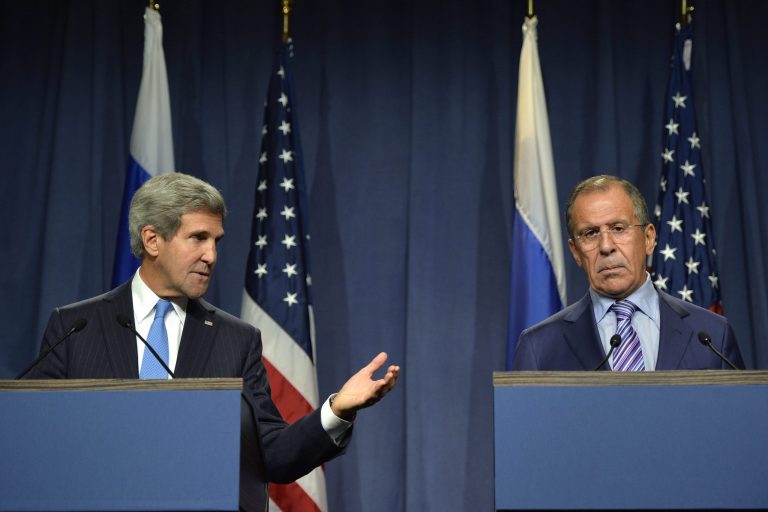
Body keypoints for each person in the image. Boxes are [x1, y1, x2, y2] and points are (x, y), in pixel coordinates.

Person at [30, 172, 400, 484]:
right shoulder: (76, 326)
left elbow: (273, 455)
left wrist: (337, 410)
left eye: (215, 241)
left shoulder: (236, 340)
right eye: (198, 238)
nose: (211, 256)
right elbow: (36, 438)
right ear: (152, 240)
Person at [512, 174, 744, 371]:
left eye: (618, 228)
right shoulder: (539, 348)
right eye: (591, 233)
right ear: (575, 251)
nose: (606, 246)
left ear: (648, 238)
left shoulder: (713, 336)